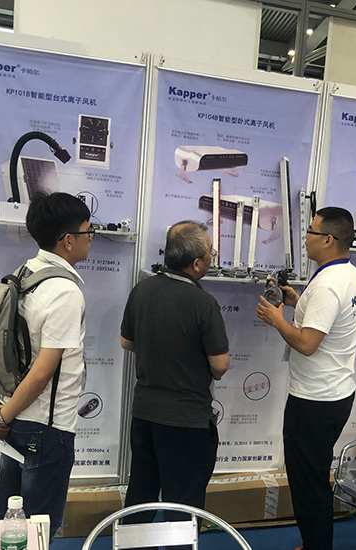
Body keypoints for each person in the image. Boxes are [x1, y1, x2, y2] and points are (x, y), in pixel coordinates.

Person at [0, 192, 93, 543]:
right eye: (88, 231)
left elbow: (1, 351)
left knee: (4, 523)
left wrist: (3, 410)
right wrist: (3, 416)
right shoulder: (65, 291)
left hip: (16, 417)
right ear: (68, 240)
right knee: (37, 530)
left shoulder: (23, 274)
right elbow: (42, 372)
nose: (91, 238)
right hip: (46, 429)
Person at [256, 207, 356, 550]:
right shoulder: (348, 274)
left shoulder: (328, 285)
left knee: (309, 484)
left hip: (314, 401)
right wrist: (296, 302)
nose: (305, 237)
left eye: (311, 231)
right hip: (335, 393)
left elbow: (307, 344)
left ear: (328, 239)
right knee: (313, 476)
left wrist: (277, 320)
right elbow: (326, 321)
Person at [120, 221, 230, 540]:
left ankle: (132, 547)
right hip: (186, 419)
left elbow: (127, 342)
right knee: (182, 504)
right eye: (211, 254)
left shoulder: (142, 289)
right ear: (196, 263)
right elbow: (220, 365)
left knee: (141, 492)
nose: (211, 258)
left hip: (145, 414)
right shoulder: (202, 303)